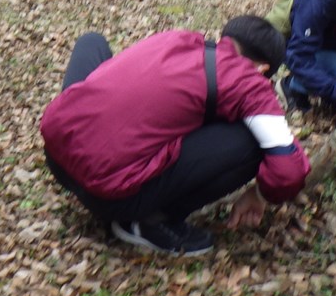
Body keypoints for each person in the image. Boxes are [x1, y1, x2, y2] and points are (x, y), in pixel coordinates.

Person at [40, 16, 311, 256]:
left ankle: (83, 145)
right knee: (251, 143)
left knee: (92, 42)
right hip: (109, 197)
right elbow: (289, 170)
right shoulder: (248, 81)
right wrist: (261, 194)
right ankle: (148, 221)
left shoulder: (177, 39)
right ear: (262, 69)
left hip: (58, 158)